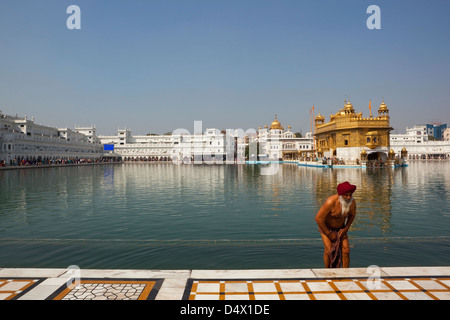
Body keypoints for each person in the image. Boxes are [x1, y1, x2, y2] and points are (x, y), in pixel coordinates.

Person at [315, 181, 357, 268]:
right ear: (340, 195)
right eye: (346, 195)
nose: (348, 197)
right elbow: (318, 218)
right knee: (329, 250)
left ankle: (345, 273)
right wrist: (329, 234)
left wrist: (346, 228)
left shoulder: (352, 203)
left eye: (350, 195)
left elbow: (352, 215)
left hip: (341, 228)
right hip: (326, 228)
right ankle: (328, 272)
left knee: (346, 250)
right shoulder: (330, 202)